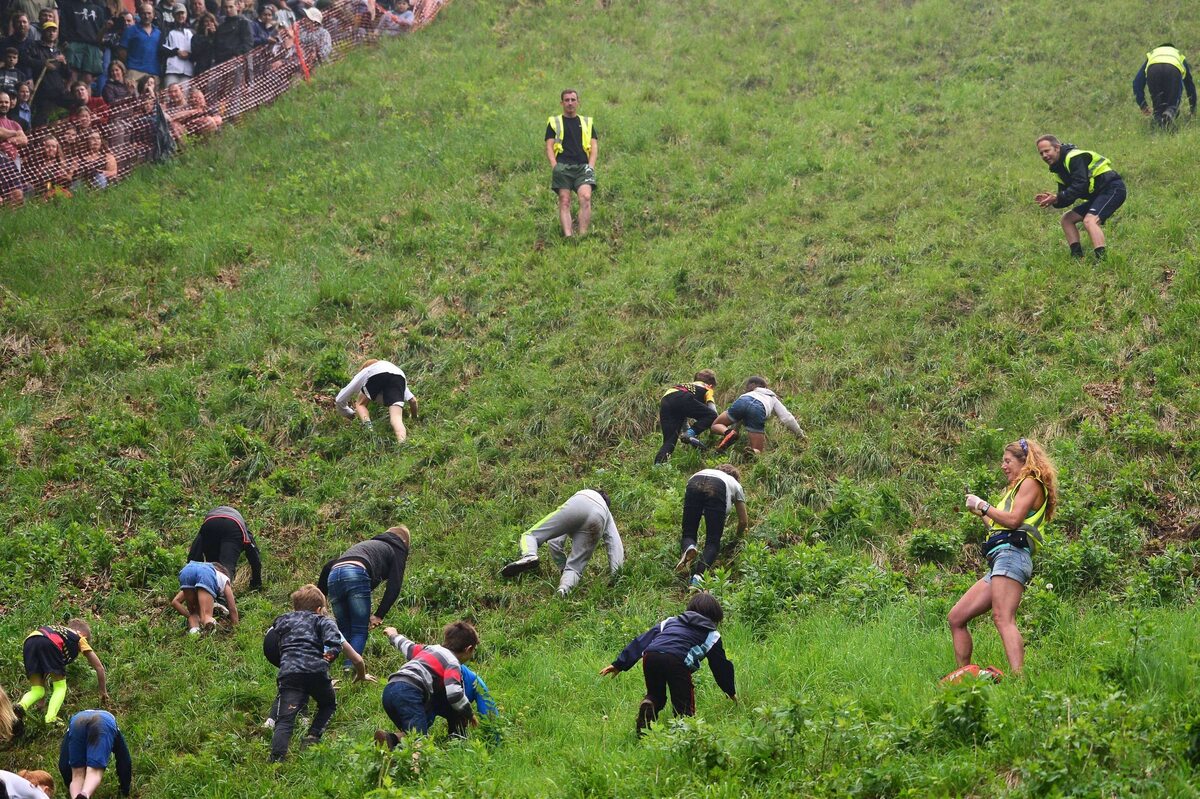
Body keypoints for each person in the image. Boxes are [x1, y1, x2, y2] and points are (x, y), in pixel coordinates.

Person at [948, 438, 1058, 675]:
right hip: (1001, 558)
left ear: (1024, 461)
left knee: (1002, 617)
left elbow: (1014, 520)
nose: (1003, 466)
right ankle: (964, 677)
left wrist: (984, 505)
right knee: (957, 617)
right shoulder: (1016, 490)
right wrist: (980, 512)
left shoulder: (1031, 482)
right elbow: (999, 525)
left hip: (1013, 555)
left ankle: (1019, 681)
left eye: (1007, 461)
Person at [600, 592, 736, 736]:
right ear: (714, 616)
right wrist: (730, 691)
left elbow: (642, 640)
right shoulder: (712, 635)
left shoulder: (670, 621)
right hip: (677, 660)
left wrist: (619, 664)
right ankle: (685, 737)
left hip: (651, 655)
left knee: (655, 694)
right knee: (684, 705)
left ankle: (648, 706)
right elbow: (721, 667)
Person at [267, 584, 375, 762]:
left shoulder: (284, 620)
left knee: (285, 719)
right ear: (319, 609)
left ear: (295, 607)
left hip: (289, 673)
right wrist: (326, 661)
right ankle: (313, 736)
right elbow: (334, 643)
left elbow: (275, 634)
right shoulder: (323, 620)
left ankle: (276, 760)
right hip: (316, 671)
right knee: (328, 705)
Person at [500, 488, 624, 597]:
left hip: (580, 503)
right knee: (575, 568)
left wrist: (561, 566)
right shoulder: (607, 513)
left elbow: (554, 542)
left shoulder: (584, 494)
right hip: (599, 517)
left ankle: (529, 555)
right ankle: (563, 591)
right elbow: (615, 544)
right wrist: (616, 575)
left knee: (530, 535)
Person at [375, 621, 477, 748]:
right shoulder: (452, 662)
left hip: (390, 690)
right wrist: (470, 714)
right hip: (410, 693)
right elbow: (455, 694)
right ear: (469, 649)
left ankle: (390, 739)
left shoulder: (429, 649)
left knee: (413, 733)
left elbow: (407, 646)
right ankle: (416, 765)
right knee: (419, 742)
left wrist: (393, 635)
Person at [316, 526, 410, 656]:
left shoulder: (370, 545)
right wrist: (379, 615)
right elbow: (395, 584)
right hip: (356, 572)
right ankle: (352, 668)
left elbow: (328, 566)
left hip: (334, 574)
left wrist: (321, 601)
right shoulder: (398, 547)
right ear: (405, 542)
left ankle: (324, 663)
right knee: (359, 630)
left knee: (344, 629)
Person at [1034, 135, 1127, 261]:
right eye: (1041, 153)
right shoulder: (1059, 170)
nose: (1044, 155)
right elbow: (1068, 197)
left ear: (1056, 148)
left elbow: (1081, 185)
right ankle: (1077, 258)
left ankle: (1103, 260)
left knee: (1090, 220)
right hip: (1098, 195)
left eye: (1047, 151)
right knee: (1067, 219)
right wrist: (1053, 200)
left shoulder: (1074, 157)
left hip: (1112, 189)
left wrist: (1058, 196)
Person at [17, 620, 109, 725]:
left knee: (37, 689)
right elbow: (99, 667)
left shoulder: (58, 631)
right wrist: (103, 692)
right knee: (60, 686)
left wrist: (41, 705)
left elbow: (44, 673)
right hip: (50, 642)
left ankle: (20, 707)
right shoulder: (79, 638)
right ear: (82, 634)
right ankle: (51, 719)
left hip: (29, 642)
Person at [677, 464, 748, 587]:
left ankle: (689, 546)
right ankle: (697, 577)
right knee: (712, 542)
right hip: (717, 487)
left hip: (694, 480)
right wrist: (737, 537)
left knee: (688, 533)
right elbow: (743, 521)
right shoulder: (734, 484)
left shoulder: (704, 471)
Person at [544, 88, 596, 237]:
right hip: (562, 167)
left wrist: (590, 166)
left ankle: (583, 235)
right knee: (564, 200)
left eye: (573, 100)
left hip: (582, 167)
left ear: (578, 102)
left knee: (586, 197)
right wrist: (555, 166)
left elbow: (594, 146)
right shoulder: (554, 122)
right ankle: (568, 236)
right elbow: (549, 146)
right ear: (562, 103)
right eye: (566, 100)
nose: (570, 103)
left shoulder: (587, 122)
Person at [334, 358, 419, 444]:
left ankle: (369, 430)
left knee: (360, 404)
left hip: (376, 374)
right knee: (396, 419)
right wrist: (414, 417)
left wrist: (350, 413)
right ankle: (402, 443)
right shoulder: (394, 371)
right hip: (399, 377)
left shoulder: (368, 369)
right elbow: (413, 401)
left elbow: (340, 398)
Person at [713, 376, 803, 454]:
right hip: (758, 409)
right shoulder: (771, 397)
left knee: (716, 425)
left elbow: (737, 420)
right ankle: (752, 452)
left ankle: (727, 432)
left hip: (742, 402)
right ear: (765, 387)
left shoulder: (747, 394)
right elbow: (787, 418)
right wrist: (800, 435)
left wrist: (734, 431)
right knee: (758, 450)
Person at [654, 369, 727, 464]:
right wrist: (718, 424)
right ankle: (691, 433)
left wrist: (687, 434)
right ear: (711, 385)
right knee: (711, 415)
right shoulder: (707, 388)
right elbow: (713, 412)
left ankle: (658, 466)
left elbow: (682, 413)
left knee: (670, 441)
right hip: (682, 397)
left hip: (666, 400)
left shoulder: (685, 385)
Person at [56, 710, 131, 798]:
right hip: (103, 720)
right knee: (94, 770)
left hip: (78, 720)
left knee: (77, 774)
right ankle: (85, 794)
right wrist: (124, 789)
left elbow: (63, 764)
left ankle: (76, 796)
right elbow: (125, 760)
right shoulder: (111, 723)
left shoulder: (75, 721)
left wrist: (68, 781)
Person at [187, 505, 262, 589]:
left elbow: (195, 553)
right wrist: (256, 581)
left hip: (210, 523)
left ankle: (203, 590)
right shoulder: (243, 529)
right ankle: (222, 598)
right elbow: (254, 557)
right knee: (227, 566)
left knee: (212, 565)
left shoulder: (214, 517)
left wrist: (191, 578)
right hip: (232, 525)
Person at [1133, 43, 1196, 128]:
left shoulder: (1153, 54)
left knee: (1158, 109)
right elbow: (1189, 86)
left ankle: (1158, 128)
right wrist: (1193, 109)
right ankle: (1170, 112)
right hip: (1173, 69)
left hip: (1153, 69)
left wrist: (1143, 105)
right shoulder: (1178, 54)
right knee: (1173, 105)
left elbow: (1137, 82)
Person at [426, 662, 495, 737]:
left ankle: (457, 735)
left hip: (457, 703)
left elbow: (490, 716)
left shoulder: (472, 680)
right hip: (432, 694)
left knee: (458, 730)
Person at [170, 560, 239, 633]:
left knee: (194, 614)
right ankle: (209, 630)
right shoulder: (223, 578)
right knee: (206, 615)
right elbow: (232, 608)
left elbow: (175, 602)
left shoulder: (198, 570)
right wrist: (236, 628)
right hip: (205, 573)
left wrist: (191, 615)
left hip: (187, 570)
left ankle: (194, 634)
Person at [57, 0, 109, 86]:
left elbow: (101, 30)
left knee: (88, 79)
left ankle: (86, 99)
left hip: (92, 45)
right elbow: (63, 24)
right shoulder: (68, 5)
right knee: (71, 76)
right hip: (74, 43)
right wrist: (64, 41)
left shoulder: (98, 9)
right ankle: (68, 98)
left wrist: (100, 46)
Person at [117, 4, 160, 84]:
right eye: (144, 13)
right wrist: (131, 64)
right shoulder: (130, 30)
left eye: (149, 13)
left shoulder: (159, 33)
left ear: (154, 15)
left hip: (154, 72)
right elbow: (122, 51)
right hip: (134, 71)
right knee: (133, 96)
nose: (146, 16)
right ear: (139, 14)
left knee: (152, 96)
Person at [0, 90, 27, 204]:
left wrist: (7, 136)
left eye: (6, 102)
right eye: (1, 102)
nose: (4, 104)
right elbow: (0, 133)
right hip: (1, 159)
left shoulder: (15, 123)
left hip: (14, 159)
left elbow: (24, 140)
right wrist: (15, 133)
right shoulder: (15, 128)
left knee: (16, 191)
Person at [161, 4, 193, 88]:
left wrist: (190, 55)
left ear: (186, 14)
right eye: (178, 13)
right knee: (169, 96)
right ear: (173, 15)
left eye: (182, 13)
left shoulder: (191, 31)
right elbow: (162, 48)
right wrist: (176, 52)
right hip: (171, 70)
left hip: (187, 71)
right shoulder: (167, 30)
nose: (180, 16)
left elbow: (196, 49)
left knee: (184, 98)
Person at [212, 0, 251, 65]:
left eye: (231, 7)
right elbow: (216, 45)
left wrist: (236, 54)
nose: (228, 10)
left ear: (237, 7)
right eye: (226, 7)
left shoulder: (243, 23)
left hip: (237, 61)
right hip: (221, 62)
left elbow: (248, 44)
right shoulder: (221, 26)